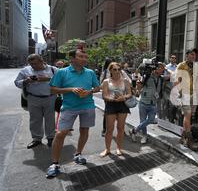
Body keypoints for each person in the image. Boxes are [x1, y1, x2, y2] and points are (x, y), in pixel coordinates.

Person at [46, 48, 101, 178]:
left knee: (84, 130)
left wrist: (90, 91)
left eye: (85, 57)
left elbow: (97, 87)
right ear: (72, 59)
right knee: (60, 134)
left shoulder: (90, 72)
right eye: (81, 56)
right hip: (68, 107)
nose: (84, 59)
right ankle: (54, 163)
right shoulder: (62, 72)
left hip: (87, 105)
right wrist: (71, 89)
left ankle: (78, 154)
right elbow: (53, 90)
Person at [14, 54, 58, 149]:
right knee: (35, 120)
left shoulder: (53, 69)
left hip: (50, 97)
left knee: (50, 119)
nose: (33, 66)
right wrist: (26, 81)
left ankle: (51, 138)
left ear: (42, 61)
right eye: (31, 64)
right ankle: (36, 139)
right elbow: (17, 82)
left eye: (35, 63)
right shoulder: (25, 70)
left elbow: (61, 81)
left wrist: (48, 79)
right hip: (33, 98)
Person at [100, 62, 132, 157]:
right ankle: (107, 149)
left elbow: (130, 93)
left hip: (122, 105)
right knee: (109, 129)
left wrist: (124, 97)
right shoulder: (106, 81)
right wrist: (113, 99)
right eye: (115, 69)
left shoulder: (125, 80)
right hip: (111, 105)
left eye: (119, 69)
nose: (117, 71)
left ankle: (118, 148)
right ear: (110, 70)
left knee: (120, 128)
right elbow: (104, 95)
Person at [129, 61, 164, 144]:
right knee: (143, 121)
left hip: (153, 103)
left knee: (151, 119)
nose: (159, 69)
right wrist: (139, 82)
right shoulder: (147, 76)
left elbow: (171, 75)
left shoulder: (161, 78)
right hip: (143, 102)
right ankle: (144, 136)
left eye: (161, 68)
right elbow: (138, 84)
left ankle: (134, 130)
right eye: (158, 67)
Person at [174, 48, 198, 151]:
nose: (193, 56)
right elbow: (177, 80)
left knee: (190, 117)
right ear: (187, 55)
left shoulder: (196, 67)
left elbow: (197, 80)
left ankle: (182, 138)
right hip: (184, 94)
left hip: (193, 94)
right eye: (191, 54)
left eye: (194, 55)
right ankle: (189, 141)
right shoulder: (181, 65)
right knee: (187, 116)